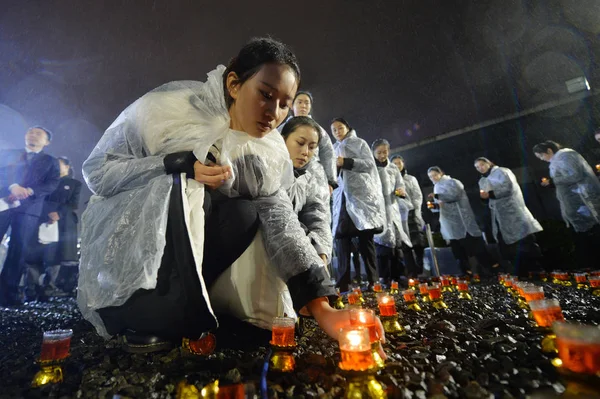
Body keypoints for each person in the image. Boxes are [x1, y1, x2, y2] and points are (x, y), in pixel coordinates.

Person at [78, 37, 385, 353]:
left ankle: (189, 304)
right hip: (133, 245)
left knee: (246, 213)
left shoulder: (264, 149)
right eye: (265, 94)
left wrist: (323, 307)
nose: (273, 113)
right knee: (185, 188)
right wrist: (176, 164)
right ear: (235, 84)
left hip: (192, 260)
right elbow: (98, 172)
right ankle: (141, 309)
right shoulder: (169, 111)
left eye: (284, 103)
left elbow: (281, 218)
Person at [0, 127, 60, 306]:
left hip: (29, 209)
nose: (33, 134)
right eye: (30, 132)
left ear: (47, 141)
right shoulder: (9, 153)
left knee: (18, 252)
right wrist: (13, 187)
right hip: (4, 204)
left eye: (39, 133)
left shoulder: (50, 161)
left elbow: (52, 183)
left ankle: (7, 294)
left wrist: (30, 191)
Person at [331, 118, 385, 292]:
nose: (337, 131)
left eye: (340, 128)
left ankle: (373, 280)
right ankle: (343, 282)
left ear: (347, 127)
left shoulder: (359, 143)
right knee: (341, 240)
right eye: (334, 130)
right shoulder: (332, 149)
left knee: (365, 239)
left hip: (360, 198)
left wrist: (345, 162)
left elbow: (370, 165)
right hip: (342, 199)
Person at [534, 140, 600, 268]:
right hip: (577, 203)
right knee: (586, 236)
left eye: (541, 155)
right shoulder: (557, 160)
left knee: (592, 233)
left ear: (549, 150)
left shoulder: (566, 156)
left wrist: (554, 181)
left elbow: (575, 175)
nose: (542, 159)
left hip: (584, 200)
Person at [24, 156, 82, 300]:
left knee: (55, 257)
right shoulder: (44, 181)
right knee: (34, 254)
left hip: (62, 224)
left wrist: (59, 213)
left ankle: (48, 288)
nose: (56, 166)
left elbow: (73, 204)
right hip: (40, 219)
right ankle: (30, 289)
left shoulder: (74, 184)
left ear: (67, 167)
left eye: (60, 164)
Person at [475, 157, 543, 276]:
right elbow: (486, 198)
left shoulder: (502, 172)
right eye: (477, 167)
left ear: (488, 163)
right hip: (498, 215)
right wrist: (484, 198)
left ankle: (535, 269)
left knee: (523, 239)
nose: (480, 168)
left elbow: (508, 188)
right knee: (506, 243)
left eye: (481, 165)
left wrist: (490, 193)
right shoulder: (482, 181)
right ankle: (518, 271)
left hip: (513, 210)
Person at [281, 116, 332, 269]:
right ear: (283, 139)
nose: (305, 152)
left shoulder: (310, 176)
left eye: (312, 147)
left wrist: (321, 250)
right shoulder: (268, 167)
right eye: (300, 143)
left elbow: (317, 214)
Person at [427, 166, 497, 275]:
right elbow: (442, 205)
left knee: (477, 249)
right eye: (430, 177)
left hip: (463, 222)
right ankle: (466, 274)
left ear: (441, 173)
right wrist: (434, 207)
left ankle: (492, 270)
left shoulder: (452, 182)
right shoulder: (437, 187)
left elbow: (455, 195)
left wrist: (437, 195)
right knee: (459, 252)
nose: (433, 178)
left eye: (435, 175)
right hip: (450, 225)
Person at [279, 91, 337, 195]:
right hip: (284, 177)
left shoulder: (319, 131)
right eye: (299, 102)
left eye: (307, 103)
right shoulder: (281, 129)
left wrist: (330, 181)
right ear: (292, 105)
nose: (303, 106)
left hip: (314, 179)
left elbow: (328, 154)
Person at [371, 139, 412, 283]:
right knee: (381, 245)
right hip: (377, 210)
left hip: (393, 208)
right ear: (373, 153)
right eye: (379, 152)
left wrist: (401, 191)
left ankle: (399, 275)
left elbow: (400, 185)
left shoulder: (393, 169)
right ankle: (384, 276)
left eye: (385, 152)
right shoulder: (371, 168)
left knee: (397, 243)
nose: (382, 155)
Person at [391, 155, 426, 277]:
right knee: (405, 245)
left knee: (418, 243)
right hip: (399, 216)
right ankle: (411, 273)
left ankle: (420, 269)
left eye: (399, 163)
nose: (397, 165)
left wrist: (415, 209)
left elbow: (418, 196)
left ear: (403, 164)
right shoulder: (390, 180)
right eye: (394, 163)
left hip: (412, 213)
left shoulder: (411, 179)